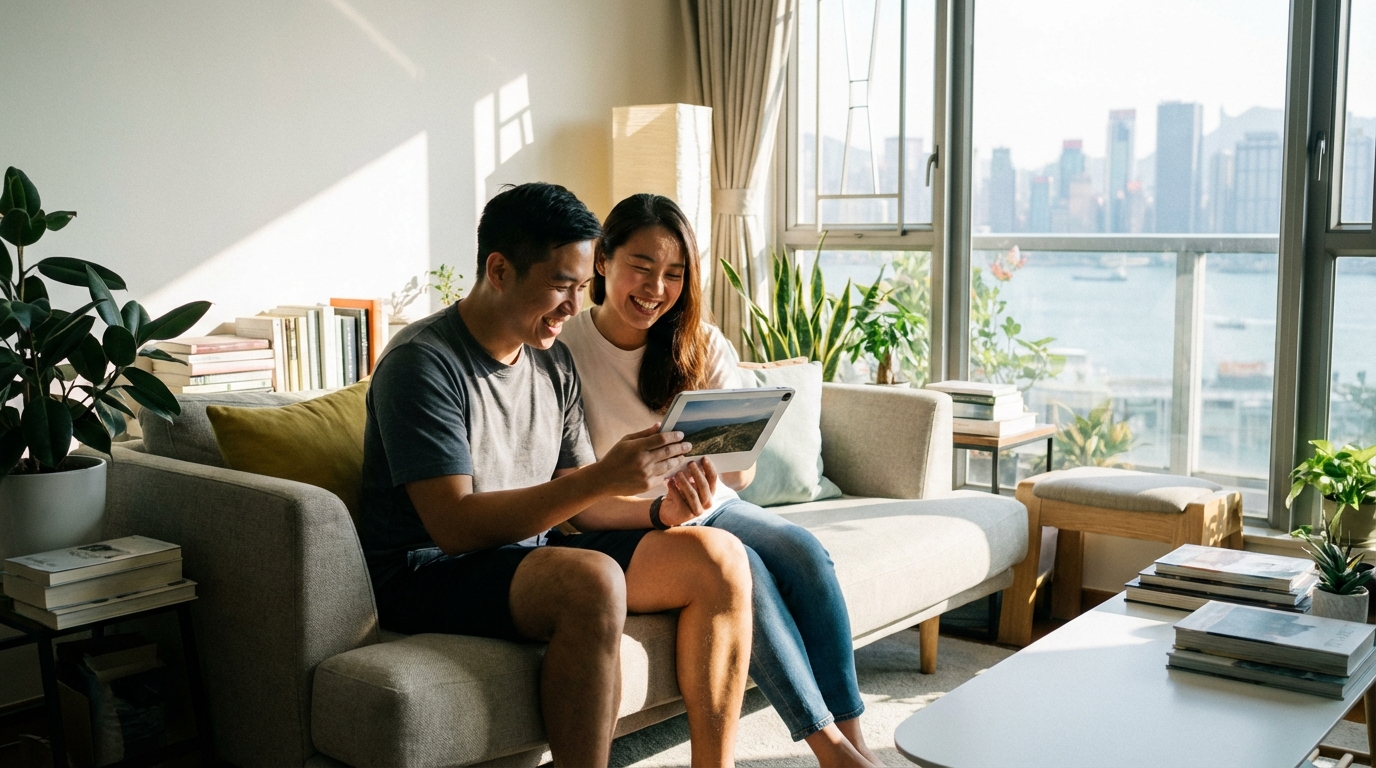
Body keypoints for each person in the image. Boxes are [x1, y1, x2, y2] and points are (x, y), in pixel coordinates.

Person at [359, 183, 753, 767]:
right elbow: (454, 526)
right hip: (425, 572)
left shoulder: (551, 358)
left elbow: (579, 508)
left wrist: (658, 513)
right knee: (589, 578)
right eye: (561, 286)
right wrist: (602, 477)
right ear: (499, 269)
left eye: (581, 286)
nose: (574, 308)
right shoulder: (423, 363)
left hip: (522, 555)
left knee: (718, 558)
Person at [560, 194, 884, 768]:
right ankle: (828, 749)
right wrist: (663, 503)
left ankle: (855, 742)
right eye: (641, 266)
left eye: (674, 274)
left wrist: (710, 468)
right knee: (745, 565)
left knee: (806, 552)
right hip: (626, 520)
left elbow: (742, 472)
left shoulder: (699, 342)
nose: (656, 288)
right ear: (602, 262)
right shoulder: (565, 350)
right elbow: (576, 498)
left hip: (706, 505)